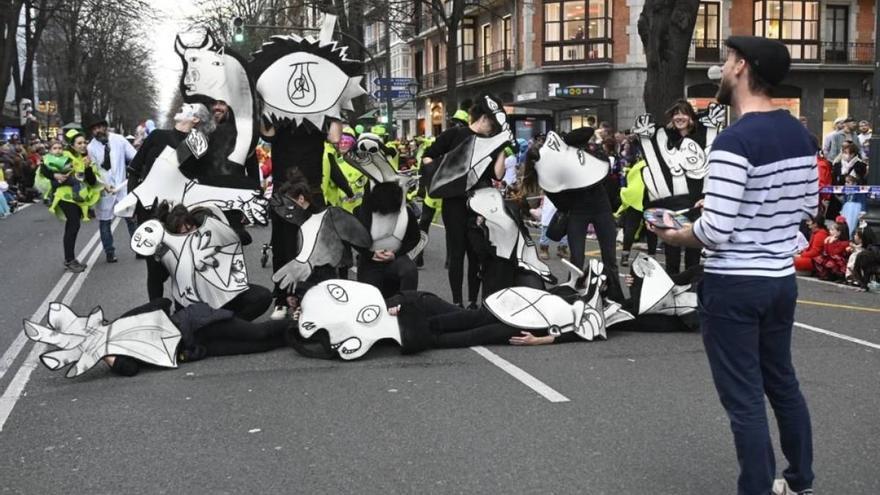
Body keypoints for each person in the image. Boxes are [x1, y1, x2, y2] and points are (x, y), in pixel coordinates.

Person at [650, 36, 817, 495]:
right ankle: (799, 480)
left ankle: (757, 489)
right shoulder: (800, 134)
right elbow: (805, 207)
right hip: (780, 281)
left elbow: (712, 233)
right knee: (782, 381)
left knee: (744, 398)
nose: (722, 69)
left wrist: (674, 233)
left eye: (726, 61)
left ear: (742, 67)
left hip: (733, 283)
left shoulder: (733, 141)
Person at [127, 103, 216, 300]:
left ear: (195, 119)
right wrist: (133, 200)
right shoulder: (157, 136)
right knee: (154, 270)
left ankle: (181, 312)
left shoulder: (199, 144)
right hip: (150, 210)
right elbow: (134, 169)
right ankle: (156, 311)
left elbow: (203, 179)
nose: (183, 105)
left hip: (180, 213)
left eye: (190, 106)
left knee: (180, 266)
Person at [422, 103, 505, 307]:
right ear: (483, 118)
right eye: (492, 124)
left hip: (479, 203)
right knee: (457, 253)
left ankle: (473, 301)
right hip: (454, 202)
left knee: (477, 252)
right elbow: (427, 155)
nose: (492, 129)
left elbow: (497, 175)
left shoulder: (491, 142)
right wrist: (443, 174)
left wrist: (502, 148)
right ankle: (457, 301)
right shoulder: (454, 135)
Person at [38, 130, 104, 272]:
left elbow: (91, 182)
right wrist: (55, 175)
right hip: (63, 196)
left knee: (73, 225)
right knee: (73, 224)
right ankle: (69, 260)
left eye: (84, 142)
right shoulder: (64, 155)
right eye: (79, 143)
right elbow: (44, 166)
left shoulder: (85, 158)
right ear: (72, 146)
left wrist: (87, 169)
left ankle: (70, 259)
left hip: (76, 197)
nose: (83, 145)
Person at [354, 181, 420, 297]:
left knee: (409, 270)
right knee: (370, 297)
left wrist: (396, 254)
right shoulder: (362, 212)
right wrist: (371, 254)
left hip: (394, 258)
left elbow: (415, 237)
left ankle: (407, 305)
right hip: (370, 261)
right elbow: (353, 238)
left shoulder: (405, 213)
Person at [87, 118, 138, 263]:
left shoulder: (119, 140)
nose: (97, 131)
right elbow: (94, 170)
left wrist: (134, 172)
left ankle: (138, 248)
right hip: (104, 190)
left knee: (131, 219)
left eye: (100, 127)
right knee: (105, 223)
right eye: (94, 129)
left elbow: (134, 157)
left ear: (105, 127)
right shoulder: (91, 148)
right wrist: (103, 185)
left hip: (122, 187)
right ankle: (110, 252)